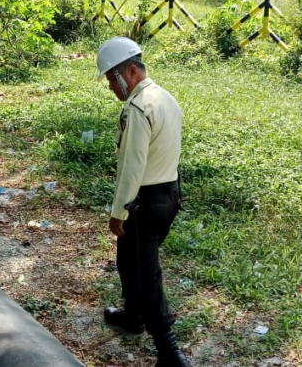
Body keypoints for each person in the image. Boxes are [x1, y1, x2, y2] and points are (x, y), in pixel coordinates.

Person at [97, 37, 189, 367]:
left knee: (145, 274)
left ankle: (170, 351)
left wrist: (118, 211)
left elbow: (132, 168)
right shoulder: (165, 98)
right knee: (130, 263)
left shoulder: (138, 108)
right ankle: (132, 316)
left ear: (131, 71)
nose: (111, 86)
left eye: (112, 77)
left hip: (143, 202)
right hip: (169, 195)